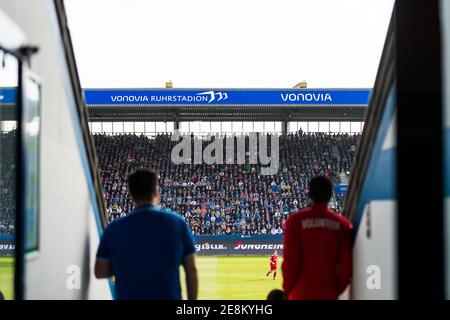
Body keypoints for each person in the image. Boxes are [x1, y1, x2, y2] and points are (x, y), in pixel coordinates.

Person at [94, 168, 198, 300]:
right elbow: (191, 269)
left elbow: (100, 271)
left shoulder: (114, 228)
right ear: (156, 191)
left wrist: (130, 264)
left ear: (131, 194)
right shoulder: (176, 223)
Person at [282, 176, 352, 300]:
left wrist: (287, 289)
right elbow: (346, 267)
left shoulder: (294, 221)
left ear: (309, 194)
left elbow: (290, 261)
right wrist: (336, 289)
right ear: (330, 195)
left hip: (299, 293)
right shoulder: (343, 225)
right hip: (329, 293)